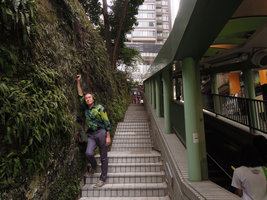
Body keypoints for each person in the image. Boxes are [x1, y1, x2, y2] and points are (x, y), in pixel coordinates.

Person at [76, 74, 111, 188]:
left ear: (93, 99)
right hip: (91, 134)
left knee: (103, 156)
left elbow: (107, 122)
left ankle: (102, 179)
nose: (87, 99)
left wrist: (108, 136)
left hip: (101, 132)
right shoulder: (86, 109)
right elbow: (80, 94)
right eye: (86, 98)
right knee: (88, 153)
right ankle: (94, 166)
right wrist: (78, 81)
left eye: (89, 97)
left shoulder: (100, 108)